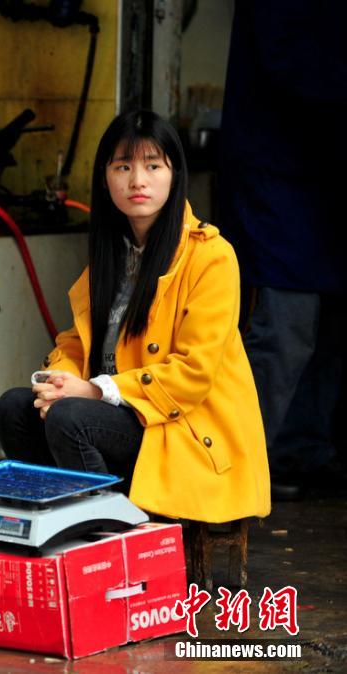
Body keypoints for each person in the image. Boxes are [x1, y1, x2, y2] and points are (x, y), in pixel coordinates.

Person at [0, 110, 270, 522]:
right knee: (14, 406)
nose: (137, 180)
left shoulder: (211, 256)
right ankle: (56, 523)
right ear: (106, 177)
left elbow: (193, 373)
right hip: (117, 417)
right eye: (123, 166)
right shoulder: (113, 253)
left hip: (178, 428)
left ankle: (110, 535)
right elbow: (75, 340)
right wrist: (60, 381)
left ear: (175, 174)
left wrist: (94, 391)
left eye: (153, 166)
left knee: (71, 418)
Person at [218, 1, 346, 500]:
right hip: (275, 167)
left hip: (324, 175)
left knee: (330, 324)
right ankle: (228, 471)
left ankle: (300, 452)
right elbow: (294, 64)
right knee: (286, 327)